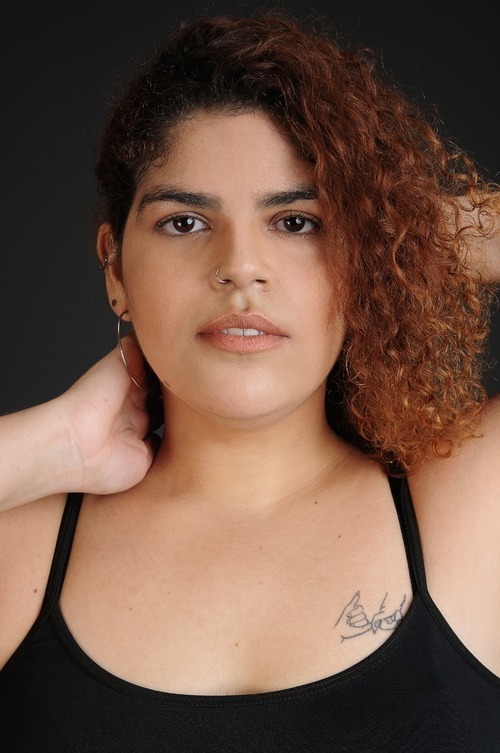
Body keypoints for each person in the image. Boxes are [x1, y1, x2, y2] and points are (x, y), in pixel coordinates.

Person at [1, 10, 499, 751]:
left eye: (297, 222)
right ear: (115, 269)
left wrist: (402, 230)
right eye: (185, 222)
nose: (240, 266)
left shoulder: (464, 511)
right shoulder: (25, 544)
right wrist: (50, 446)